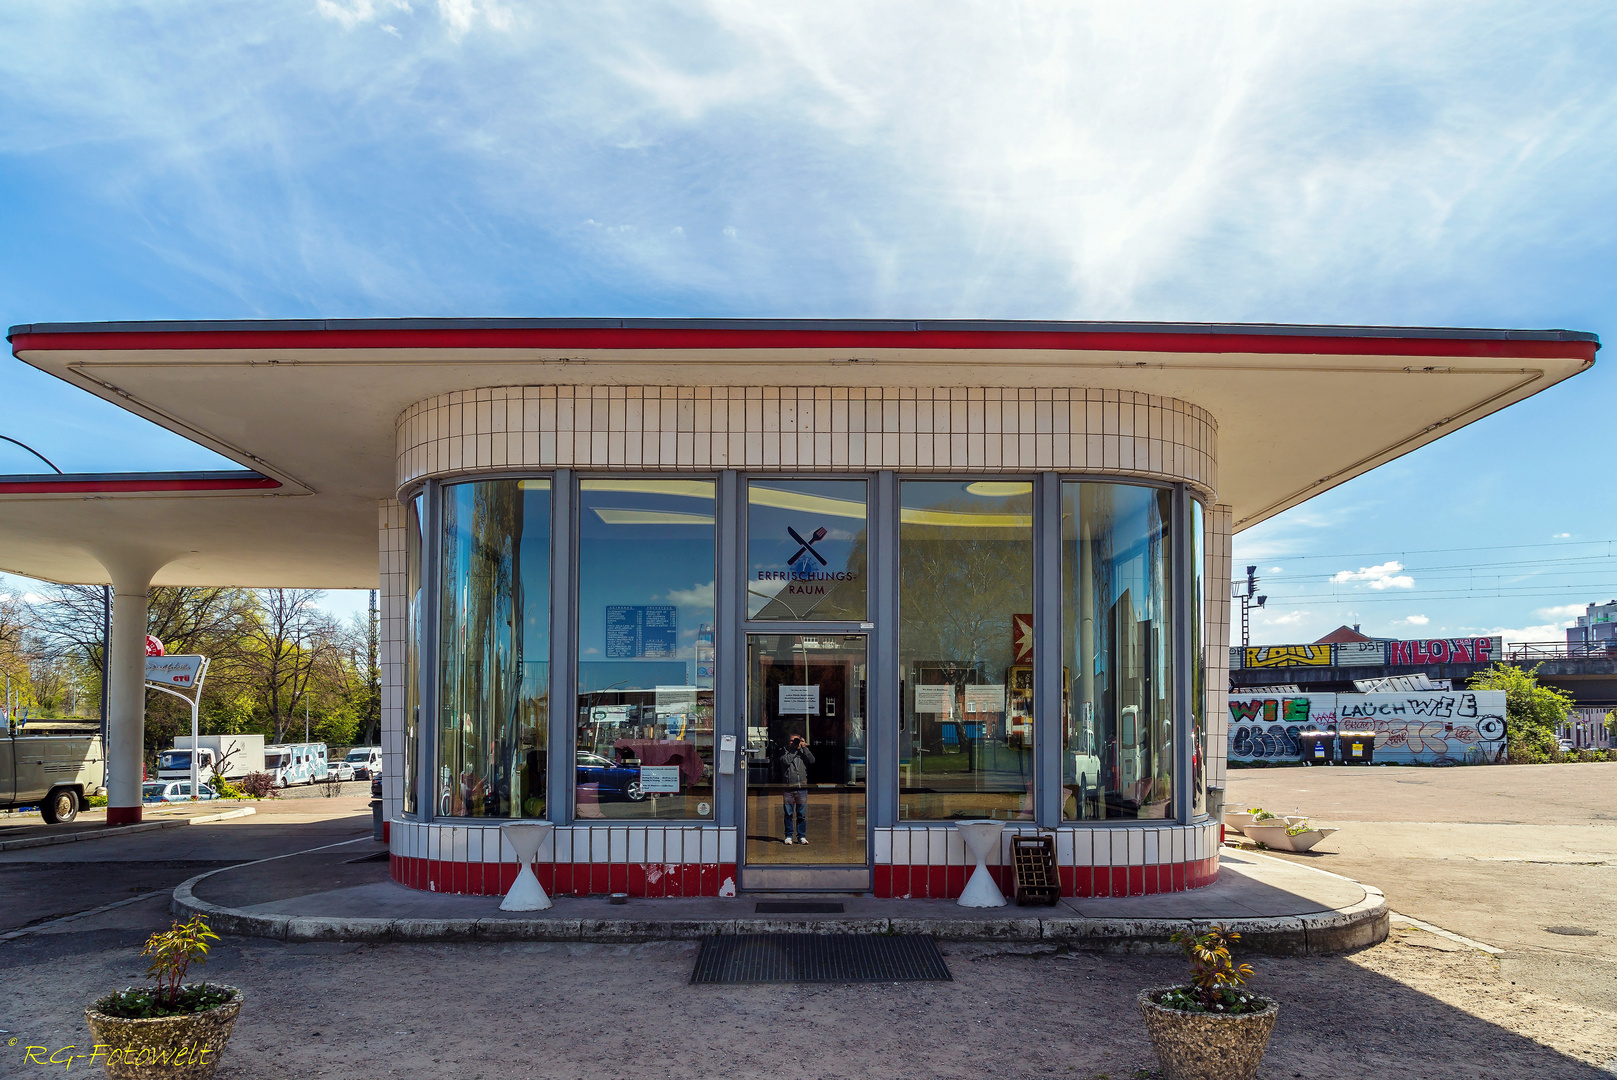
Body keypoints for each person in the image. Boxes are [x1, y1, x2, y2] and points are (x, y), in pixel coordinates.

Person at [780, 733, 814, 844]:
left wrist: (805, 748)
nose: (794, 743)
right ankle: (789, 835)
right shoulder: (784, 751)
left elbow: (812, 760)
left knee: (802, 814)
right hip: (789, 788)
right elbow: (785, 761)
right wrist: (794, 750)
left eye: (797, 740)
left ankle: (801, 836)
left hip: (802, 787)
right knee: (788, 814)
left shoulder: (803, 753)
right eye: (792, 740)